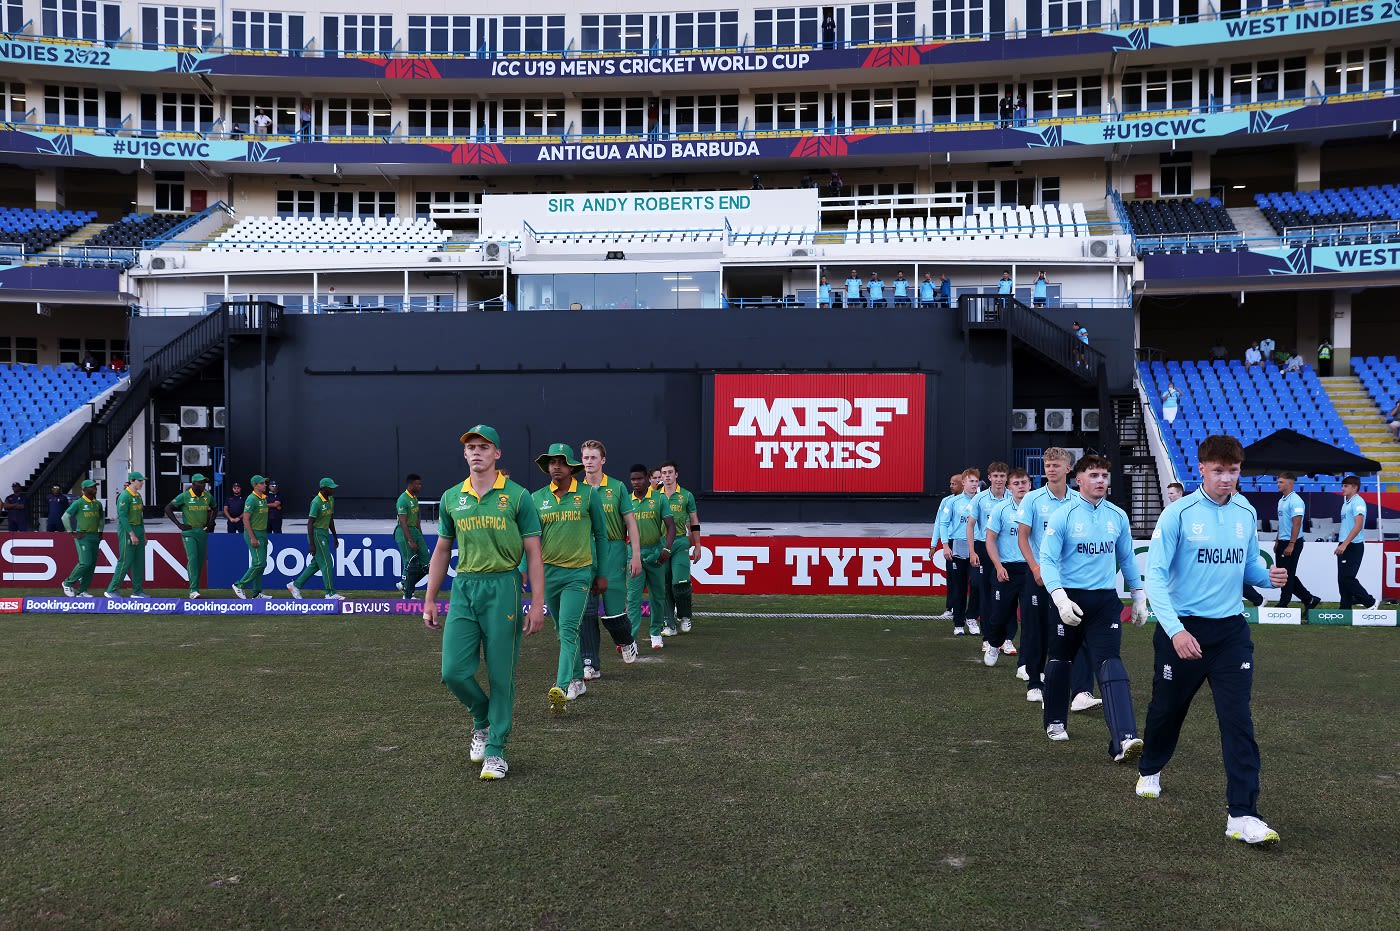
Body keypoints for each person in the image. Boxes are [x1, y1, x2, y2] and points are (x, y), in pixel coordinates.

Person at [1140, 434, 1290, 846]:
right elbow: (1154, 578)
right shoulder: (1178, 514)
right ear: (1201, 469)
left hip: (1230, 633)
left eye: (1234, 471)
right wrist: (1176, 631)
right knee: (1167, 711)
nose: (1227, 479)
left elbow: (1247, 570)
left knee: (1238, 721)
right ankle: (1150, 767)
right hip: (1183, 629)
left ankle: (1242, 814)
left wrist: (1269, 577)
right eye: (1219, 470)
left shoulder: (1244, 510)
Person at [423, 424, 544, 781]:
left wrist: (537, 604)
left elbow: (534, 555)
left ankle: (496, 749)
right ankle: (482, 717)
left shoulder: (519, 497)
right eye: (471, 447)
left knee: (500, 671)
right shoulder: (451, 497)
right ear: (464, 454)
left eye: (484, 447)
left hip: (503, 586)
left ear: (497, 454)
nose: (476, 452)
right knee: (453, 672)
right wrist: (430, 599)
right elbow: (442, 550)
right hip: (464, 588)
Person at [1039, 454, 1148, 762]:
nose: (1101, 481)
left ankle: (1124, 739)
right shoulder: (1064, 515)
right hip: (1069, 598)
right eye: (1095, 475)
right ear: (1079, 480)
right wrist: (1059, 598)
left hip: (1104, 602)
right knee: (1061, 660)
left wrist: (1138, 595)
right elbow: (1047, 560)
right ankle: (1055, 721)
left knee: (1110, 663)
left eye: (1104, 475)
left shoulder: (1117, 516)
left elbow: (1127, 558)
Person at [1016, 448, 1101, 708]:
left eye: (1056, 465)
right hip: (1039, 575)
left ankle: (1081, 692)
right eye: (1047, 464)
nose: (1050, 469)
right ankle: (1035, 683)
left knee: (1078, 630)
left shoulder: (1078, 500)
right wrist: (1035, 568)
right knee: (1037, 630)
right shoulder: (1032, 499)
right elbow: (1023, 537)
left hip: (1070, 578)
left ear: (1068, 470)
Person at [530, 443, 609, 712]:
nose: (556, 467)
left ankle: (562, 686)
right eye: (551, 462)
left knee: (568, 629)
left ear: (571, 467)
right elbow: (529, 538)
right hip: (548, 573)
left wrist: (601, 573)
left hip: (579, 573)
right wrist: (523, 568)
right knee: (561, 630)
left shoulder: (588, 495)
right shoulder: (536, 497)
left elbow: (601, 535)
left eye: (561, 462)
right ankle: (577, 679)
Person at [578, 441, 642, 677]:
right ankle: (589, 664)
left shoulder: (616, 487)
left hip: (614, 550)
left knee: (613, 611)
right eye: (585, 457)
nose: (589, 462)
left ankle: (626, 641)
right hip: (585, 552)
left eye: (594, 457)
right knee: (586, 610)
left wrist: (635, 554)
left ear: (603, 460)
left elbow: (631, 523)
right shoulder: (577, 490)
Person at [982, 468, 1033, 667]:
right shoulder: (1000, 509)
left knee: (1031, 618)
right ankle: (994, 643)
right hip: (1006, 570)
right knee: (1000, 614)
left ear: (1030, 484)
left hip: (1031, 569)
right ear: (1009, 487)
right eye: (1016, 483)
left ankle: (1027, 661)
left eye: (1024, 483)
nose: (1020, 486)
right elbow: (990, 540)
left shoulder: (1037, 508)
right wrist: (998, 565)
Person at [627, 464, 677, 649]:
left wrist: (667, 549)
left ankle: (655, 632)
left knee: (658, 596)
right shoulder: (626, 501)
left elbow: (671, 527)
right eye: (633, 479)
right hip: (634, 555)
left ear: (647, 479)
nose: (636, 483)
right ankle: (631, 640)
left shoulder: (659, 499)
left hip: (656, 553)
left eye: (639, 479)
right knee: (633, 598)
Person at [967, 462, 1013, 655]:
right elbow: (970, 525)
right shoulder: (979, 498)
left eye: (1002, 476)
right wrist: (972, 551)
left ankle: (1007, 639)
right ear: (990, 477)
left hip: (1007, 551)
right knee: (985, 594)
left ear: (1006, 478)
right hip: (983, 548)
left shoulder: (1015, 498)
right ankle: (987, 638)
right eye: (995, 476)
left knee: (1009, 596)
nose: (999, 480)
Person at [660, 461, 700, 636]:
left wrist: (698, 545)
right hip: (660, 544)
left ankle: (684, 616)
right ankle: (669, 624)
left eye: (670, 472)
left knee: (680, 583)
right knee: (664, 585)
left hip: (680, 542)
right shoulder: (654, 495)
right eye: (664, 473)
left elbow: (694, 521)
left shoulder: (686, 496)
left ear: (676, 475)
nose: (667, 476)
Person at [941, 469, 981, 637]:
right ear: (963, 483)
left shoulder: (982, 501)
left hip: (978, 547)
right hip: (957, 546)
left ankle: (971, 617)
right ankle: (958, 623)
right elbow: (943, 523)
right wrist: (945, 545)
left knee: (978, 585)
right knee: (959, 587)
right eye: (970, 481)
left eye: (976, 481)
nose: (974, 484)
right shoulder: (953, 502)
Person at [288, 478, 342, 600]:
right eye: (331, 487)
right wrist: (312, 544)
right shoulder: (316, 502)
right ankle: (330, 593)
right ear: (324, 488)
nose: (333, 490)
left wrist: (335, 536)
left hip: (324, 533)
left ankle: (295, 585)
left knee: (316, 564)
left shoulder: (331, 499)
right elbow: (310, 523)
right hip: (316, 533)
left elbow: (330, 519)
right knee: (327, 563)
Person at [164, 472, 216, 598]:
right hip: (189, 532)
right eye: (200, 482)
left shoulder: (207, 496)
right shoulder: (185, 496)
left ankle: (196, 588)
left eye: (204, 482)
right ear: (193, 484)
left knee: (199, 561)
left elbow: (215, 507)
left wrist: (210, 523)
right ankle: (193, 590)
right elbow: (168, 508)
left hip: (202, 532)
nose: (203, 485)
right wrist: (179, 524)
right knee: (192, 558)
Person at [104, 471, 148, 599]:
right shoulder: (124, 496)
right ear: (132, 480)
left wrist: (143, 534)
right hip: (127, 530)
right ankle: (112, 590)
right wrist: (132, 534)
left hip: (138, 529)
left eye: (142, 480)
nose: (142, 483)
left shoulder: (138, 496)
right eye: (140, 481)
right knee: (125, 560)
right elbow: (122, 517)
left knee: (139, 562)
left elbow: (140, 516)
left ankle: (137, 591)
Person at [928, 473, 964, 621]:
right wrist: (933, 544)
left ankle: (973, 611)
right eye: (950, 483)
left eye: (953, 483)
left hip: (970, 543)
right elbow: (939, 522)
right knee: (953, 577)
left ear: (963, 484)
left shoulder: (975, 500)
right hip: (951, 542)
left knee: (973, 581)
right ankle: (950, 608)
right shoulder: (946, 501)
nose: (950, 486)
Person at [1335, 474, 1374, 610]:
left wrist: (1345, 544)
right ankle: (1344, 608)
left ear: (1355, 488)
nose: (1342, 488)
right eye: (1342, 485)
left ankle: (1370, 602)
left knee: (1347, 578)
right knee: (1342, 580)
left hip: (1353, 545)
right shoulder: (1346, 503)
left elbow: (1358, 525)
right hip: (1345, 543)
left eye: (1346, 486)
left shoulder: (1358, 502)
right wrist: (1342, 543)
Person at [59, 480, 104, 597]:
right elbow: (65, 517)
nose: (95, 489)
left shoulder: (97, 504)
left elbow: (101, 519)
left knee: (91, 564)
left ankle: (82, 591)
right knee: (85, 562)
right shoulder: (78, 503)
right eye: (92, 487)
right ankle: (67, 583)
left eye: (95, 487)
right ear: (84, 490)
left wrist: (100, 531)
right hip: (83, 536)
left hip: (95, 536)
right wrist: (71, 532)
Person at [233, 475, 271, 600]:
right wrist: (252, 537)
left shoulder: (264, 498)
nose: (265, 485)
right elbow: (246, 519)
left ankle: (256, 593)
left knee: (260, 564)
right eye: (262, 483)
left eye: (265, 483)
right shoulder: (251, 499)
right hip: (253, 533)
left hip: (262, 533)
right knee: (260, 563)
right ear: (255, 485)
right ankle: (239, 585)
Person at [395, 474, 429, 599]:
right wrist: (410, 540)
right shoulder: (403, 499)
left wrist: (420, 535)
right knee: (411, 563)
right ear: (410, 485)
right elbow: (403, 522)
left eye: (420, 484)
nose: (419, 486)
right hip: (404, 532)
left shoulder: (414, 498)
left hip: (415, 531)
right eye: (417, 484)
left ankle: (405, 584)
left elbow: (416, 519)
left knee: (426, 565)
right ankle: (407, 594)